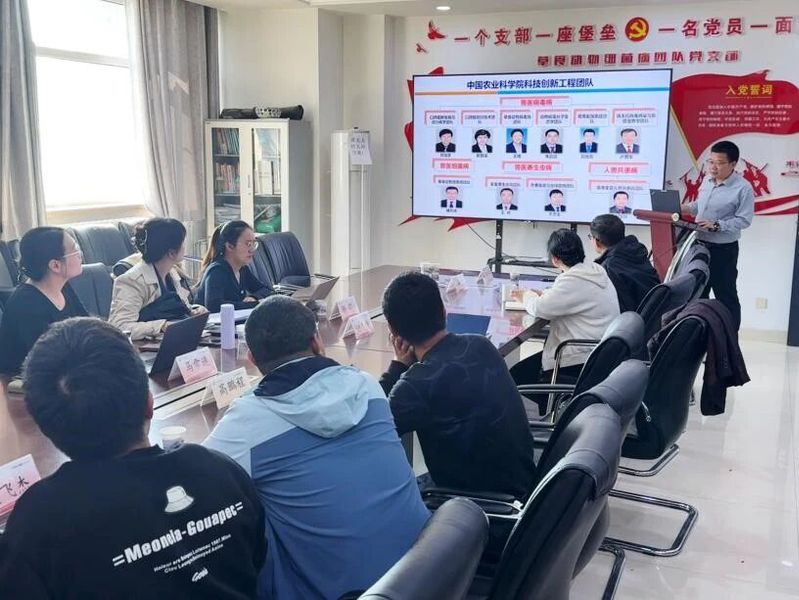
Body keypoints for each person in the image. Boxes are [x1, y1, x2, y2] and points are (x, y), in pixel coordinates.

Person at [0, 318, 266, 598]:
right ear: (149, 404)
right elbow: (257, 560)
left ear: (44, 426)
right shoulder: (220, 471)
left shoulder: (37, 523)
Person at [204, 296, 430, 600]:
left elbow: (192, 482)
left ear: (253, 360)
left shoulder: (247, 423)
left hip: (350, 593)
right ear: (317, 342)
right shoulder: (367, 387)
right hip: (426, 575)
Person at [378, 272, 535, 498]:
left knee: (392, 497)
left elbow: (373, 425)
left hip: (476, 505)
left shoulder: (414, 386)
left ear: (393, 332)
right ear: (444, 312)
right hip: (523, 484)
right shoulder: (481, 345)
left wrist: (397, 367)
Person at [509, 229, 620, 400]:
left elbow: (539, 308)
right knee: (520, 372)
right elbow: (567, 297)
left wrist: (525, 295)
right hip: (598, 355)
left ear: (555, 259)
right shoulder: (594, 270)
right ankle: (552, 408)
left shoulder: (573, 280)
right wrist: (545, 294)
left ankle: (553, 408)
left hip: (577, 358)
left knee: (514, 377)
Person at [681, 140, 754, 330]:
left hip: (723, 250)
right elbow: (699, 206)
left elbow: (744, 220)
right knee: (697, 292)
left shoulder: (743, 188)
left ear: (733, 164)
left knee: (725, 295)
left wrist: (717, 225)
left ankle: (730, 336)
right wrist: (683, 208)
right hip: (698, 245)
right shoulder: (707, 180)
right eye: (710, 162)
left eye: (719, 163)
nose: (713, 167)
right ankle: (699, 333)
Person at [0, 227, 87, 379]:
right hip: (25, 384)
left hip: (65, 374)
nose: (80, 254)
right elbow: (49, 359)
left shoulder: (63, 287)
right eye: (75, 249)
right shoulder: (26, 304)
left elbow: (88, 327)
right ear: (55, 265)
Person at [109, 218, 206, 340]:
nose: (185, 246)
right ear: (171, 253)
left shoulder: (172, 273)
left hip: (171, 341)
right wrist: (162, 326)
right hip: (144, 348)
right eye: (183, 242)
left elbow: (177, 308)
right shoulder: (131, 281)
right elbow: (120, 327)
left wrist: (194, 310)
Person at [195, 220, 273, 313]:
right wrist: (254, 304)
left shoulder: (242, 269)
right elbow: (214, 306)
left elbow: (267, 290)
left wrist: (254, 297)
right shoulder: (217, 271)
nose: (252, 249)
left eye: (254, 243)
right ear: (230, 246)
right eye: (248, 244)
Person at [590, 214, 661, 312]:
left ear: (597, 241)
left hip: (636, 319)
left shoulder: (608, 267)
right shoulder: (636, 251)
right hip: (657, 311)